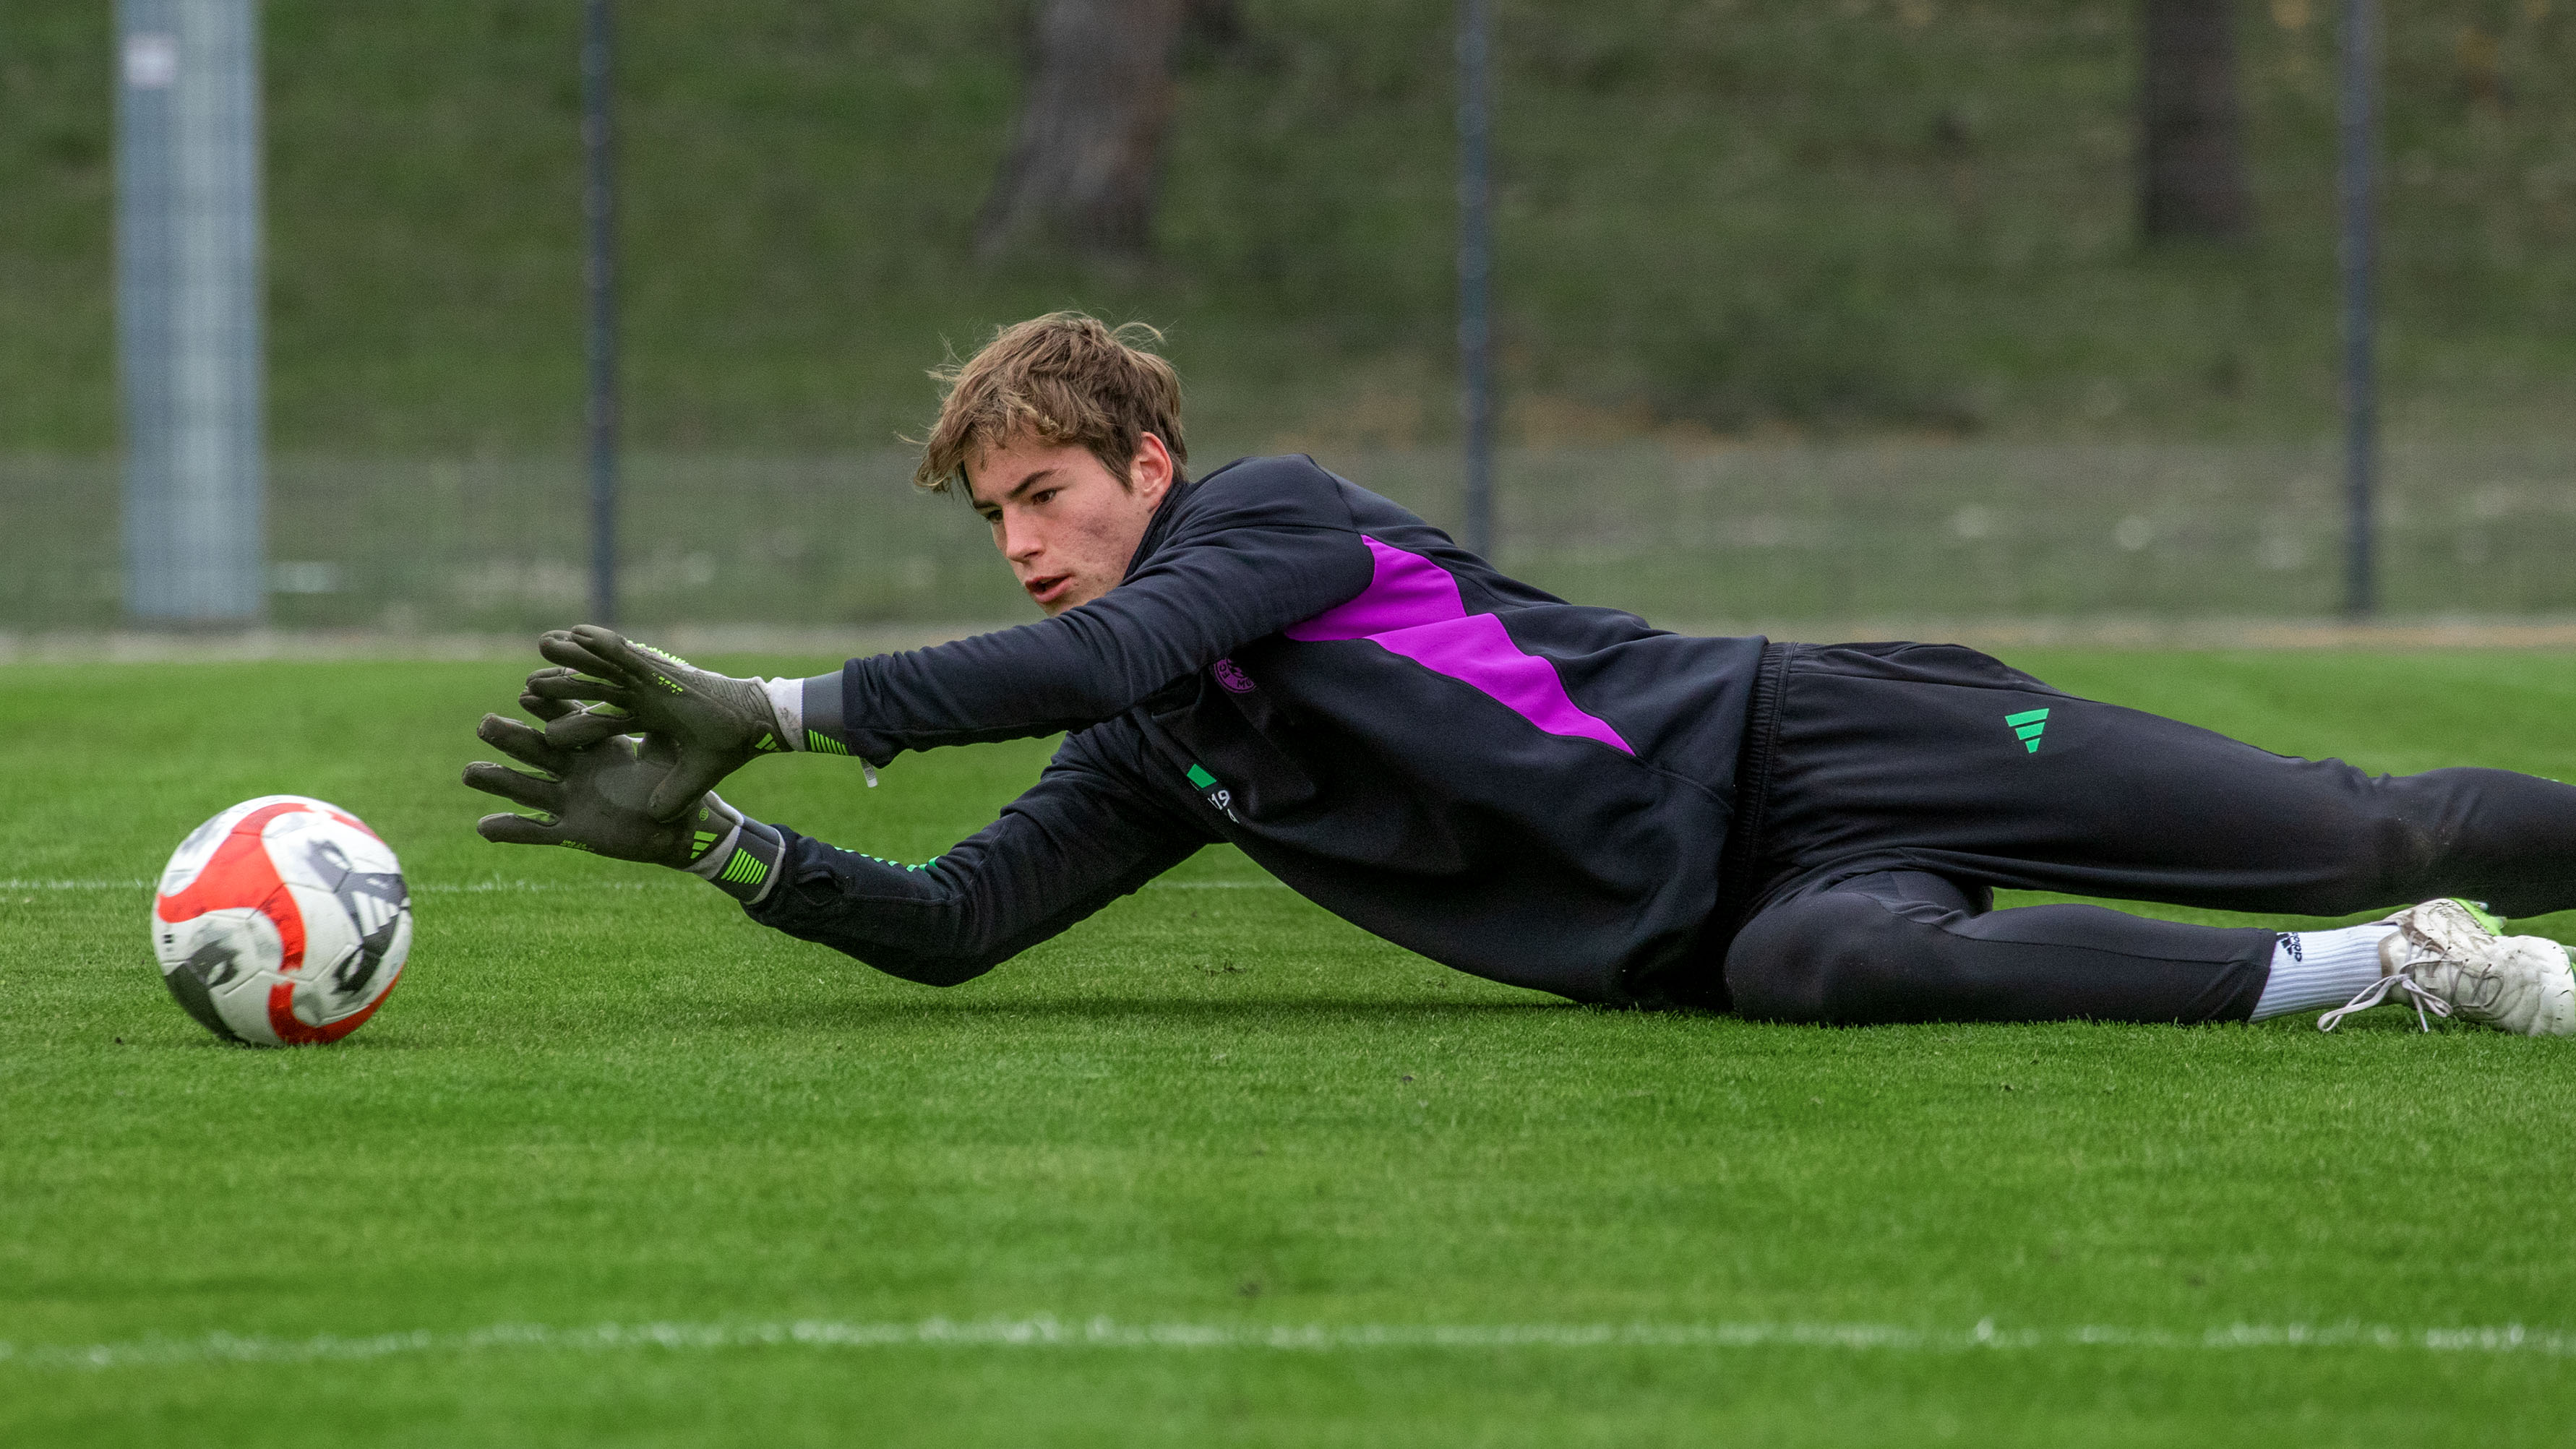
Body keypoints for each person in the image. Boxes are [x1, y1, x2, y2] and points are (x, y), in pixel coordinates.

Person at [463, 311, 2576, 1035]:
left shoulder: (1267, 524)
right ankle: (2393, 974)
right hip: (1728, 917)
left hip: (1816, 725)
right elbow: (952, 926)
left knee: (2339, 817)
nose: (1019, 543)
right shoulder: (1147, 749)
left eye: (1042, 492)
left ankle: (2387, 893)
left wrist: (788, 704)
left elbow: (1119, 639)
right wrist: (726, 841)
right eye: (986, 514)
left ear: (1147, 465)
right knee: (1822, 980)